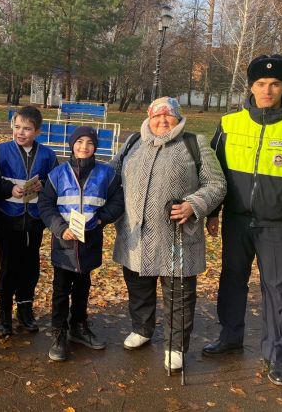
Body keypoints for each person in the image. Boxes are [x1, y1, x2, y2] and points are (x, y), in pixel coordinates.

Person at [202, 54, 282, 386]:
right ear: (252, 86)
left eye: (274, 84)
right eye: (260, 84)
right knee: (232, 280)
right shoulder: (230, 123)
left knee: (275, 288)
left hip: (277, 226)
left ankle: (275, 354)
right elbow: (215, 172)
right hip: (236, 221)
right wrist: (213, 214)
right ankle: (230, 337)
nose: (267, 90)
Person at [110, 97, 226, 372]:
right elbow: (110, 175)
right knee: (138, 287)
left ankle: (176, 346)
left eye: (169, 116)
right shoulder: (132, 143)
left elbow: (217, 183)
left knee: (179, 294)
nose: (162, 121)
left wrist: (193, 205)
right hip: (135, 235)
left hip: (177, 236)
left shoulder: (194, 143)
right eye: (156, 117)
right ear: (149, 118)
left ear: (178, 117)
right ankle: (142, 328)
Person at [38, 126, 124, 361]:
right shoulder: (57, 174)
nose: (84, 147)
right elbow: (45, 205)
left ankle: (78, 326)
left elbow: (118, 201)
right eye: (79, 142)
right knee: (61, 289)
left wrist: (101, 218)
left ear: (95, 146)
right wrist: (60, 228)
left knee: (83, 286)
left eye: (89, 142)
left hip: (90, 239)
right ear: (71, 145)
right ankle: (59, 331)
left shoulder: (107, 174)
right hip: (64, 241)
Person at [0, 105, 58, 336]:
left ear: (37, 131)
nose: (21, 132)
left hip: (34, 221)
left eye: (27, 129)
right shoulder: (0, 151)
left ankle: (25, 310)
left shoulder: (48, 155)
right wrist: (10, 188)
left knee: (30, 268)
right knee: (7, 268)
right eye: (17, 127)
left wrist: (44, 186)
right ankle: (4, 311)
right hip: (7, 219)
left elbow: (56, 185)